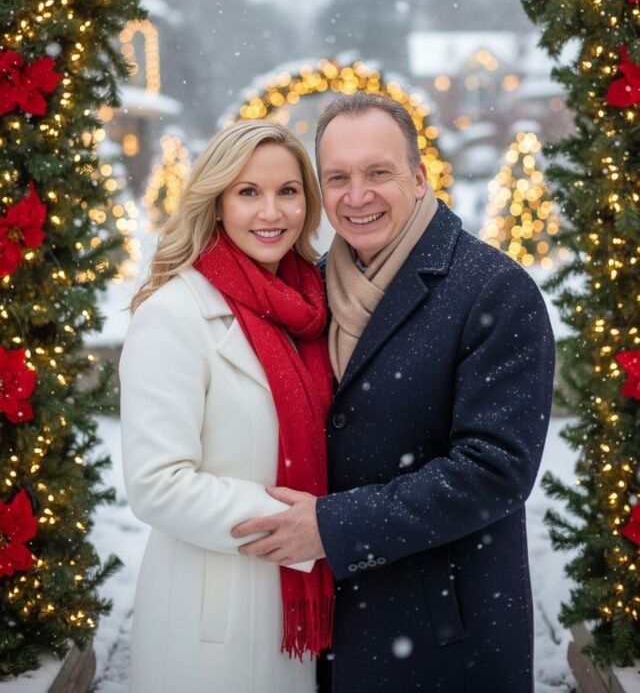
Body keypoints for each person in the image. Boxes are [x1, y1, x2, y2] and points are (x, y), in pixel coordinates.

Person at [231, 93, 556, 693]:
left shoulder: (494, 290)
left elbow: (495, 470)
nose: (357, 196)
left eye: (378, 173)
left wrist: (333, 526)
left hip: (441, 632)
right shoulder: (312, 290)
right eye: (338, 178)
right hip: (330, 627)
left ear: (418, 176)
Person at [119, 121, 335, 693]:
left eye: (288, 191)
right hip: (213, 613)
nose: (272, 212)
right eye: (248, 192)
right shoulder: (173, 314)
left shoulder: (311, 310)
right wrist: (299, 526)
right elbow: (157, 484)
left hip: (297, 610)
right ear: (217, 203)